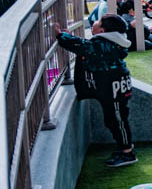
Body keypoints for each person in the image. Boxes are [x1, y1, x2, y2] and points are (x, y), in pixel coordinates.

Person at [53, 15, 137, 167]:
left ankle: (128, 152)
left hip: (113, 85)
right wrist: (67, 36)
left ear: (102, 30)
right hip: (113, 84)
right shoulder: (110, 42)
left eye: (97, 22)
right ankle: (124, 147)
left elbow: (82, 46)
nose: (94, 23)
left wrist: (61, 35)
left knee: (117, 119)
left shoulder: (102, 43)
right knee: (114, 119)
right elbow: (85, 45)